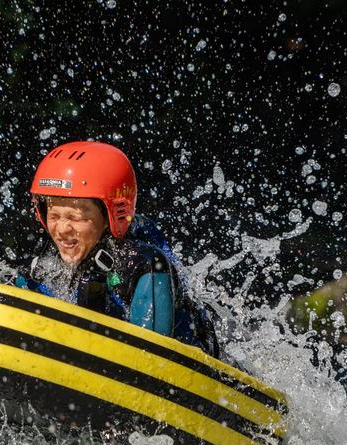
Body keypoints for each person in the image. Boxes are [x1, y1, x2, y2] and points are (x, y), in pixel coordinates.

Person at [14, 140, 219, 357]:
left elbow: (152, 360)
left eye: (77, 217)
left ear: (111, 216)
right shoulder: (42, 267)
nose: (62, 229)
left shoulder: (144, 266)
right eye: (54, 216)